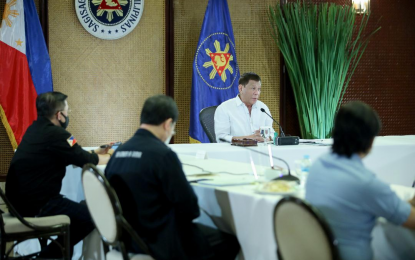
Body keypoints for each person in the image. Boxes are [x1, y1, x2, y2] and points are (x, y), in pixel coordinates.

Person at [105, 95, 240, 260]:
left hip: (126, 239)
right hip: (161, 240)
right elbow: (190, 209)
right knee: (230, 242)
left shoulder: (118, 154)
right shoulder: (163, 155)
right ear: (168, 124)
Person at [6, 91, 114, 258]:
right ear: (59, 115)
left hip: (18, 205)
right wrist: (111, 155)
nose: (68, 115)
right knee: (92, 216)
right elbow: (86, 159)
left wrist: (99, 150)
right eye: (67, 111)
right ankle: (47, 257)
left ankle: (58, 254)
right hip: (39, 206)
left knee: (83, 210)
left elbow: (73, 153)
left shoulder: (34, 130)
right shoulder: (60, 134)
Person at [305, 101, 415, 260]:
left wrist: (408, 205)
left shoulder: (318, 165)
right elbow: (409, 220)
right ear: (370, 141)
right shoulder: (366, 183)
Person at [214, 72, 275, 143]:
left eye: (259, 89)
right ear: (241, 88)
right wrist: (249, 138)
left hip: (261, 151)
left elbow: (272, 133)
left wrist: (267, 138)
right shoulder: (224, 108)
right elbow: (221, 138)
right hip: (235, 151)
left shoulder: (263, 108)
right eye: (253, 88)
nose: (257, 93)